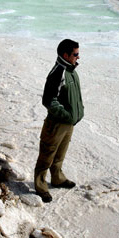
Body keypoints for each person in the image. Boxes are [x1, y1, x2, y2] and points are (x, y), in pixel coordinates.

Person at [34, 39, 84, 203]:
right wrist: (66, 115)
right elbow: (48, 100)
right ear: (66, 55)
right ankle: (40, 186)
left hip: (68, 123)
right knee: (47, 155)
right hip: (56, 124)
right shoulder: (59, 72)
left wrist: (77, 113)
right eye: (75, 54)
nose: (78, 56)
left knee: (60, 155)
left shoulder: (71, 71)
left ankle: (57, 178)